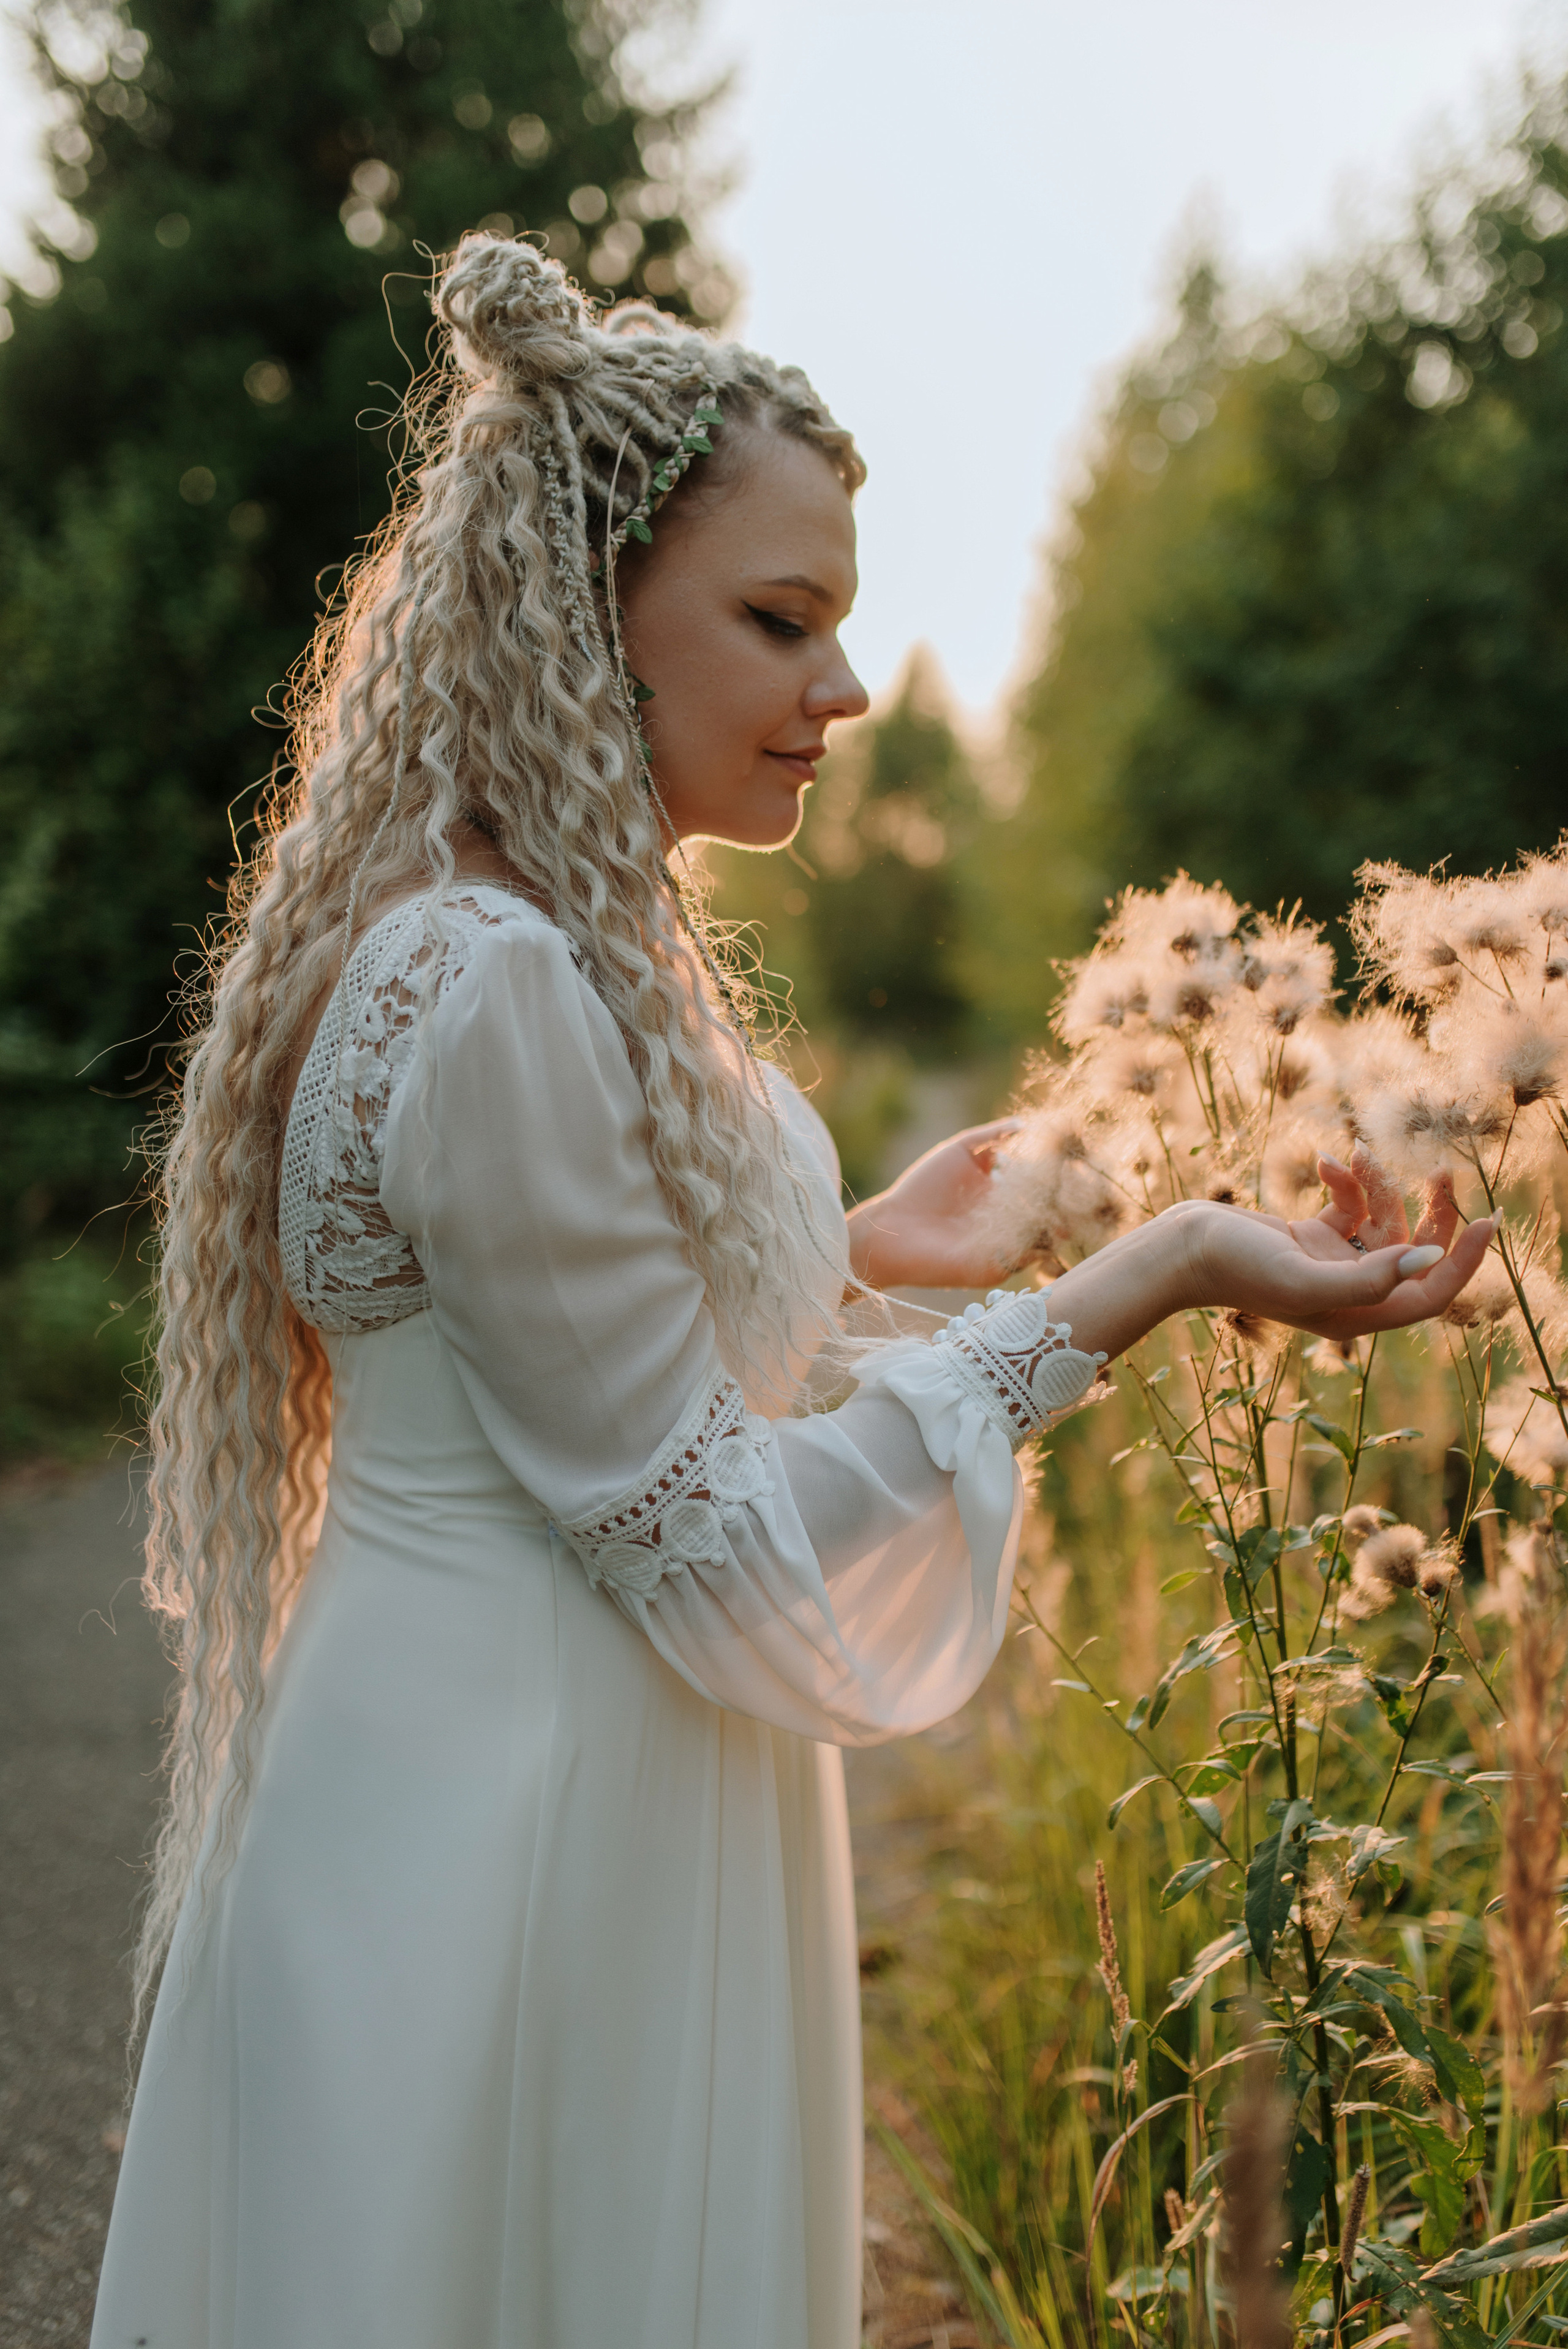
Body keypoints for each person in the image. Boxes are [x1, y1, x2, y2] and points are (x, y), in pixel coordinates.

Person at [91, 235, 1493, 2349]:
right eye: (781, 620)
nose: (842, 689)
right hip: (514, 1839)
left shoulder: (520, 943)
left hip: (519, 1772)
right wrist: (1155, 1273)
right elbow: (712, 1525)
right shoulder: (496, 984)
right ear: (586, 617)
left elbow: (535, 1343)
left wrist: (846, 1254)